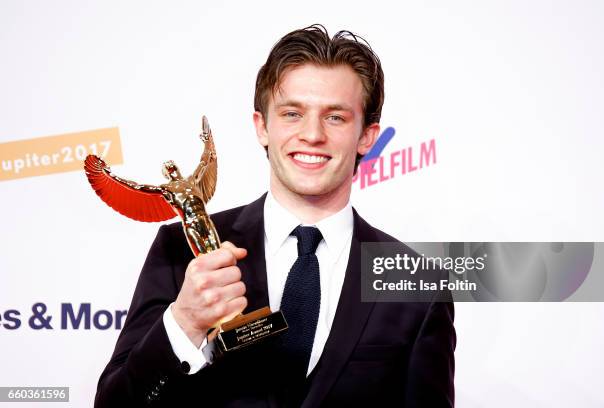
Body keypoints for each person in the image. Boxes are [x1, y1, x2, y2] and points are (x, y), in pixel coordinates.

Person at [95, 24, 455, 407]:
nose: (312, 134)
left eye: (335, 117)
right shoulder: (181, 251)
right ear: (262, 127)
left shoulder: (418, 286)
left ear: (367, 136)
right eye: (292, 113)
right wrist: (183, 323)